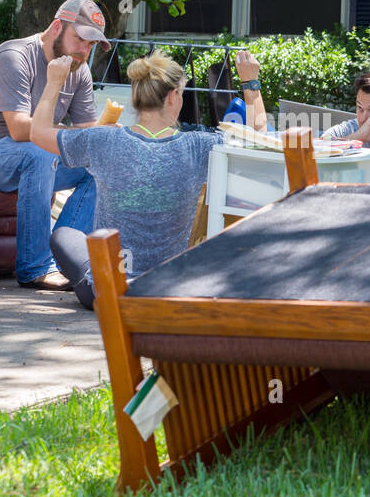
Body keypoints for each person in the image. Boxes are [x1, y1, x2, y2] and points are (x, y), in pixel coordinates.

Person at [38, 49, 265, 309]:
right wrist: (250, 82)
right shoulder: (199, 146)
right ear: (172, 97)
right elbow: (259, 141)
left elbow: (39, 132)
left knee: (63, 235)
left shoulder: (102, 139)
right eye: (181, 93)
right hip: (166, 289)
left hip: (110, 290)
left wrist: (54, 82)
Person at [0, 0, 107, 290]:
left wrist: (111, 137)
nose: (84, 51)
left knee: (100, 163)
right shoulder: (14, 57)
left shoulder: (78, 69)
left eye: (91, 45)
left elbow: (86, 135)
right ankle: (35, 267)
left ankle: (69, 260)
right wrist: (70, 126)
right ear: (57, 26)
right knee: (39, 153)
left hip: (30, 152)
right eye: (80, 39)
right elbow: (20, 130)